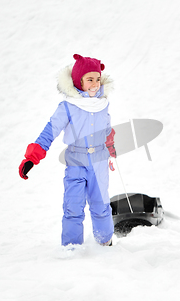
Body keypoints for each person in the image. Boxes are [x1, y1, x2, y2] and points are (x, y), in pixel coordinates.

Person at [18, 54, 116, 247]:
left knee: (100, 206)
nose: (95, 84)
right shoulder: (68, 107)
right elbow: (49, 132)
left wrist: (110, 146)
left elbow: (106, 129)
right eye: (90, 80)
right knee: (73, 207)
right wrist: (32, 157)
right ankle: (72, 248)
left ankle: (105, 243)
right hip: (76, 162)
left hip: (99, 161)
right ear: (78, 82)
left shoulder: (102, 103)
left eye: (97, 79)